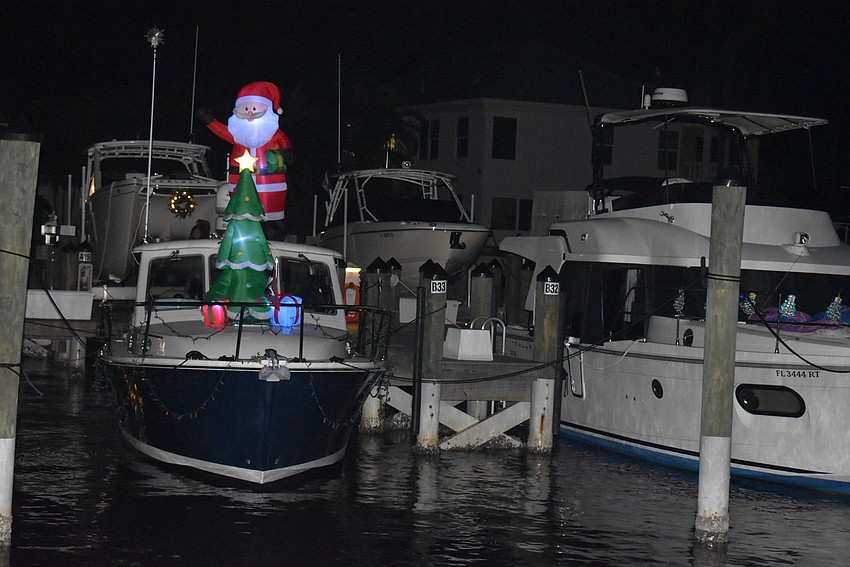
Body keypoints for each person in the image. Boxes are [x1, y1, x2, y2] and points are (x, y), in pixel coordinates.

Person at [196, 81, 292, 230]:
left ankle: (273, 232)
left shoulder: (273, 132)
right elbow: (223, 132)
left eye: (254, 108)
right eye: (246, 108)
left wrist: (286, 152)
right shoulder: (238, 134)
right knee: (242, 217)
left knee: (271, 220)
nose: (249, 113)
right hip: (240, 184)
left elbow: (284, 141)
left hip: (271, 185)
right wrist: (210, 122)